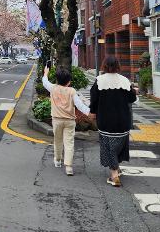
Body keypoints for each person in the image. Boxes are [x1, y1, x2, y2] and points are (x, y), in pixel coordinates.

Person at [89, 55, 137, 187]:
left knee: (108, 146)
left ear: (104, 65)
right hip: (123, 120)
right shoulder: (125, 81)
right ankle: (117, 167)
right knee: (119, 145)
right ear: (118, 66)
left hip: (106, 120)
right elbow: (132, 98)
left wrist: (92, 113)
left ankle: (114, 174)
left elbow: (94, 100)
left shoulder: (99, 81)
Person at [43, 65, 90, 176]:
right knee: (69, 143)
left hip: (57, 120)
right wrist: (90, 113)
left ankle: (58, 160)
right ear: (69, 81)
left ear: (57, 80)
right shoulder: (72, 91)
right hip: (69, 121)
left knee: (57, 140)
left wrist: (46, 73)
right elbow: (80, 105)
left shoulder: (53, 88)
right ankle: (68, 167)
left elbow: (45, 82)